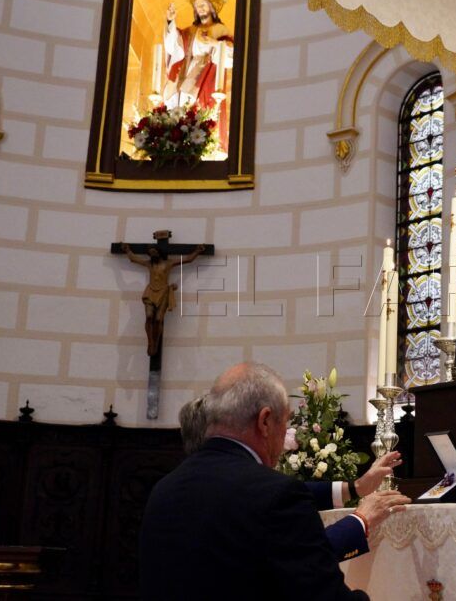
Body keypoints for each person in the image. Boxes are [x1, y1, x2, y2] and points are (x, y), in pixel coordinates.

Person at [140, 362, 410, 599]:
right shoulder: (274, 495)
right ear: (265, 421)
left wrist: (355, 488)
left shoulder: (163, 489)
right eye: (286, 422)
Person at [177, 395, 405, 562]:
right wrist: (360, 520)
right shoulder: (241, 486)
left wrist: (355, 488)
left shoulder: (174, 488)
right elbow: (304, 557)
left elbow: (288, 493)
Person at [120, 242, 204, 356]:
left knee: (158, 319)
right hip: (150, 292)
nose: (152, 255)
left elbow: (187, 260)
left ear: (158, 253)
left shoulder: (168, 263)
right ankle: (150, 342)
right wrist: (127, 250)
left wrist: (197, 251)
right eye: (150, 253)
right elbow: (134, 259)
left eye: (154, 252)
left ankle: (155, 342)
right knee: (149, 316)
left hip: (163, 293)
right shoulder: (149, 264)